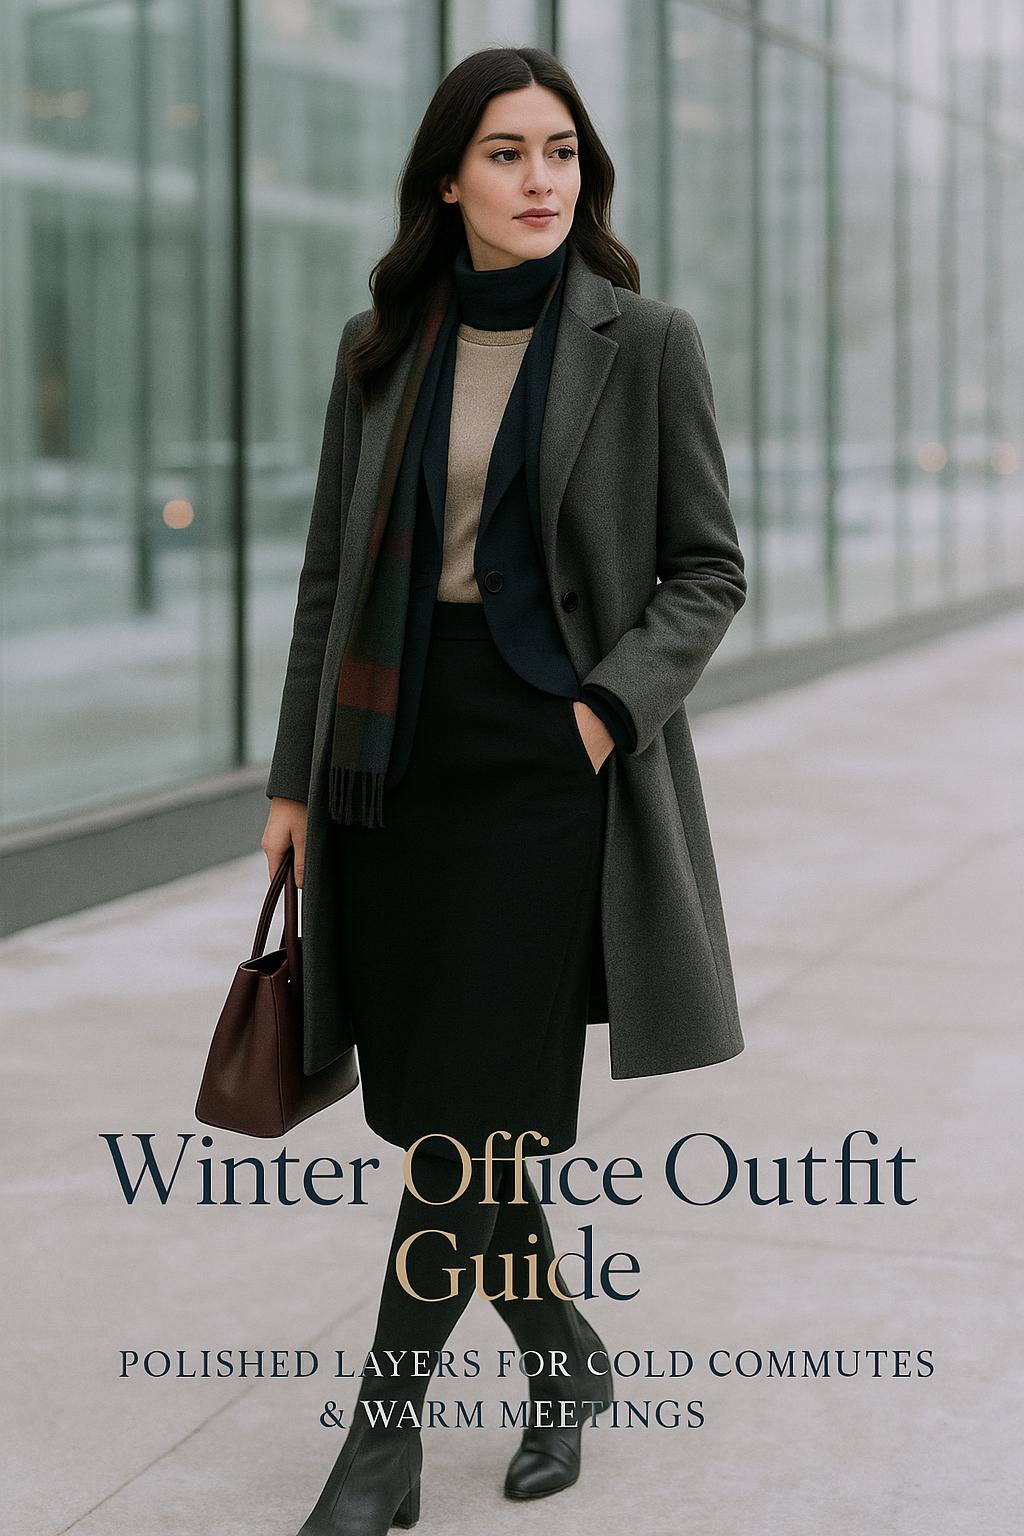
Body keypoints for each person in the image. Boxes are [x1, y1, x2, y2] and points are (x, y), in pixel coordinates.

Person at [261, 44, 746, 1536]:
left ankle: (381, 1447)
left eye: (562, 153)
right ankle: (564, 1356)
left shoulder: (642, 339)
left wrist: (605, 716)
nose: (544, 182)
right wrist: (292, 782)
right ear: (448, 180)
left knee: (475, 1107)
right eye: (508, 154)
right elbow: (333, 577)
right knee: (448, 1111)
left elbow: (707, 570)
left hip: (551, 761)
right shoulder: (383, 346)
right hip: (390, 756)